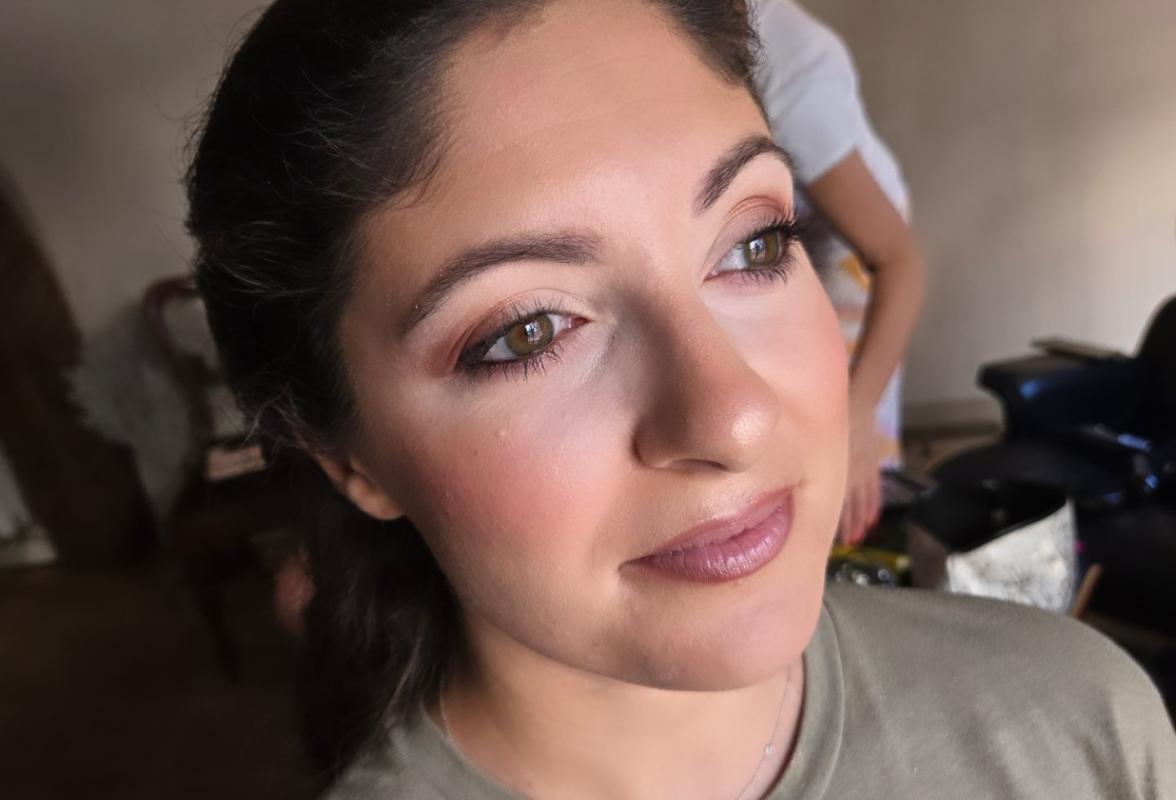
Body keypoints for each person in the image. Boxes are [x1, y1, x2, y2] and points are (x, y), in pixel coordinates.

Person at [185, 1, 1176, 798]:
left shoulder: (1081, 723)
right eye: (527, 330)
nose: (733, 415)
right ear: (347, 455)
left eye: (755, 244)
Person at [753, 0, 926, 546]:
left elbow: (900, 263)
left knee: (839, 511)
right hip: (811, 292)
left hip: (848, 301)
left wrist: (856, 421)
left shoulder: (784, 65)